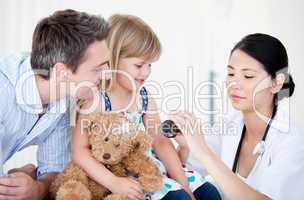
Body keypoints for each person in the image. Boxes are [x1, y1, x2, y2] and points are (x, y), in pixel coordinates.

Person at [73, 14, 221, 200]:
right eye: (139, 65)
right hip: (121, 177)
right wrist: (113, 183)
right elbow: (79, 151)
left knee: (210, 193)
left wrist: (184, 184)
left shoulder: (143, 97)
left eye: (150, 65)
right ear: (113, 59)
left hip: (151, 168)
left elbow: (160, 141)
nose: (146, 72)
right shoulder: (96, 102)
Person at [170, 33, 304, 200]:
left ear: (276, 83)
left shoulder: (293, 142)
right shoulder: (229, 124)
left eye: (248, 76)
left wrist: (203, 151)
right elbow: (191, 172)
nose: (234, 84)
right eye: (231, 74)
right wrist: (185, 146)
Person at [0, 9, 109, 200]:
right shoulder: (4, 90)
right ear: (61, 71)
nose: (107, 74)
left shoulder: (62, 97)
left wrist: (37, 188)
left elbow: (54, 170)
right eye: (98, 69)